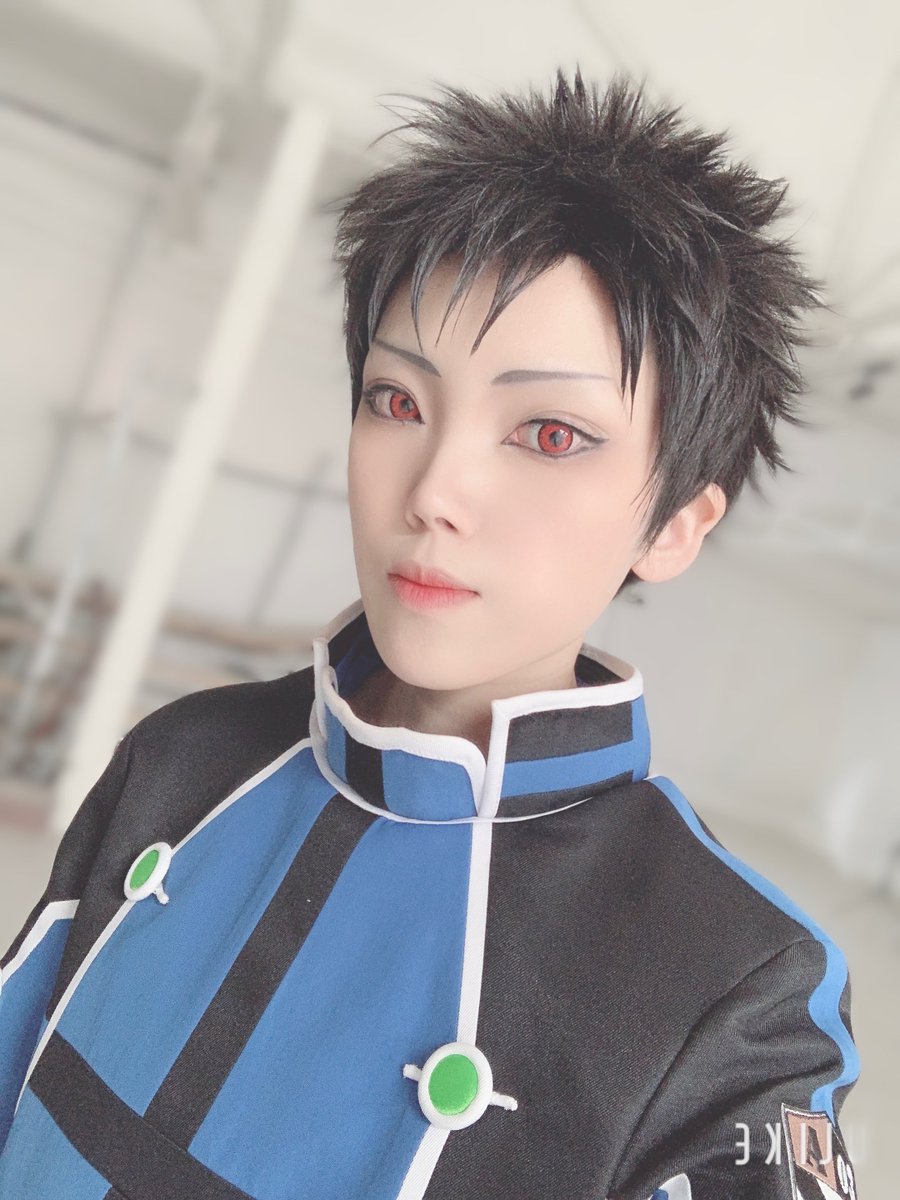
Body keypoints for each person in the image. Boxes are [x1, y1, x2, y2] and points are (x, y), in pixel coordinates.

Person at [0, 68, 859, 1200]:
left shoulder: (735, 988)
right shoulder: (185, 758)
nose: (434, 492)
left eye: (549, 434)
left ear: (675, 524)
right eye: (397, 401)